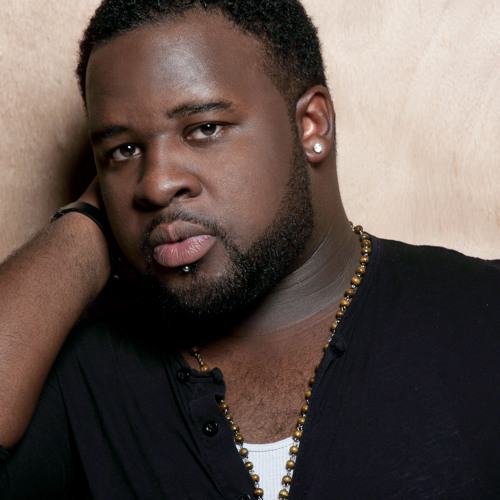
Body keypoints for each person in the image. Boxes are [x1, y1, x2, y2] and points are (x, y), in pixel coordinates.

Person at [0, 0, 499, 498]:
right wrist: (86, 226)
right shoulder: (79, 377)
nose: (154, 185)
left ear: (311, 125)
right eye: (123, 150)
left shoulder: (483, 317)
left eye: (204, 128)